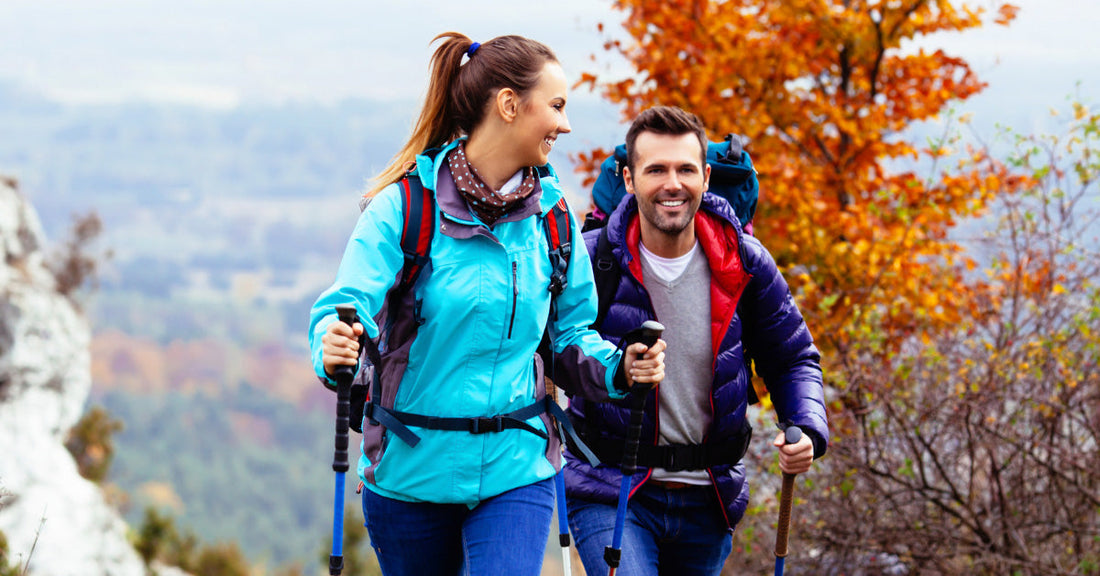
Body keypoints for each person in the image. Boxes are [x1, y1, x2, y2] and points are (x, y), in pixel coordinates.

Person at [308, 32, 666, 576]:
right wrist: (333, 346)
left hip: (516, 467)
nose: (565, 125)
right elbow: (346, 308)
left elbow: (572, 336)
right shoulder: (404, 209)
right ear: (508, 105)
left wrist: (622, 368)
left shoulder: (553, 219)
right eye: (557, 106)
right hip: (409, 472)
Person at [563, 106, 829, 576]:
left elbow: (791, 358)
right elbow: (554, 352)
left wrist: (805, 426)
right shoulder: (593, 260)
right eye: (656, 170)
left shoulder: (745, 263)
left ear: (706, 176)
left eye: (686, 169)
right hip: (611, 489)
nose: (673, 183)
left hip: (710, 496)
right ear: (628, 179)